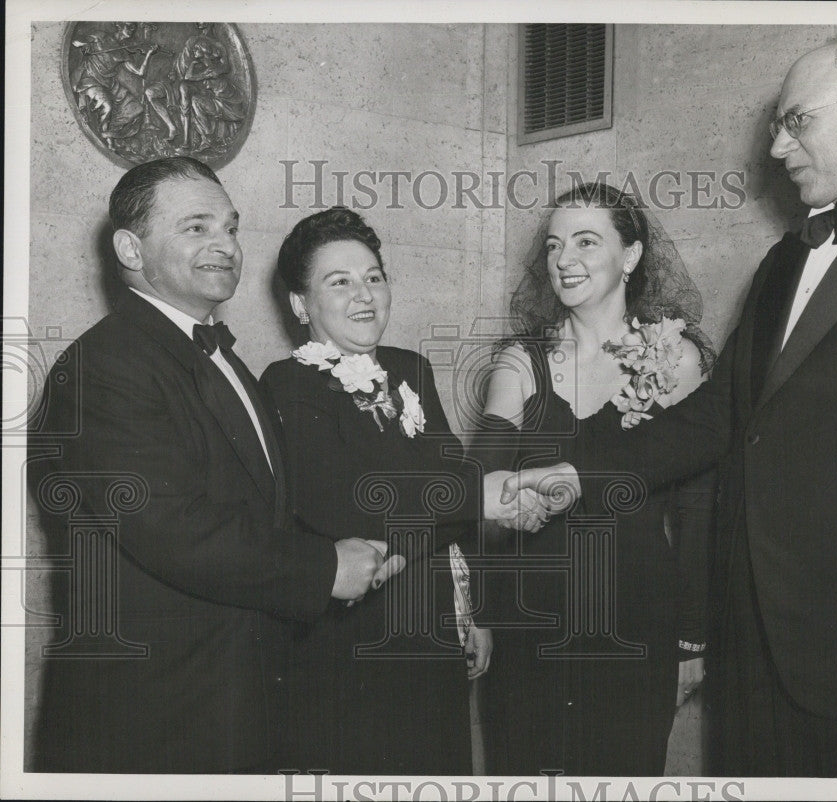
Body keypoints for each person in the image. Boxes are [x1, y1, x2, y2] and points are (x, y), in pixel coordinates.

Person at [504, 36, 837, 778]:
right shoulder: (786, 259)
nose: (776, 144)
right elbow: (717, 419)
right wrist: (570, 471)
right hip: (751, 653)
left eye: (796, 121)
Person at [28, 157, 395, 773]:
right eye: (196, 228)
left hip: (232, 698)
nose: (224, 246)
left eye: (231, 228)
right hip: (152, 716)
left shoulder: (219, 355)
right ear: (130, 248)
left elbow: (259, 506)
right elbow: (171, 529)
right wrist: (324, 566)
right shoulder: (105, 365)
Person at [260, 207, 522, 774]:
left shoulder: (412, 370)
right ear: (300, 305)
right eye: (340, 281)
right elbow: (343, 505)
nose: (364, 294)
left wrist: (473, 610)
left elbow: (438, 492)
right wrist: (465, 498)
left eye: (373, 277)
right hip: (351, 645)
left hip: (433, 625)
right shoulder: (288, 384)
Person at [474, 181, 717, 776]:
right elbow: (482, 489)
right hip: (529, 621)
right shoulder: (519, 362)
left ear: (630, 256)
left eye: (586, 241)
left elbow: (697, 508)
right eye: (555, 245)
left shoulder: (677, 360)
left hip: (637, 621)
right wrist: (479, 612)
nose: (564, 260)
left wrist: (691, 637)